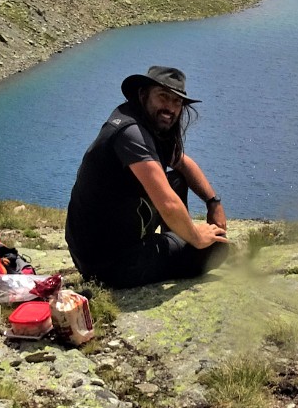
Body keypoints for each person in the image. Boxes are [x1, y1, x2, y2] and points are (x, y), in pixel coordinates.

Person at [66, 66, 230, 288]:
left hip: (105, 243)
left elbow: (182, 162)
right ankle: (177, 246)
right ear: (143, 94)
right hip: (109, 262)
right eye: (163, 97)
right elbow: (168, 204)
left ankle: (176, 242)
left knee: (177, 179)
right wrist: (197, 238)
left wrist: (213, 202)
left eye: (177, 102)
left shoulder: (140, 121)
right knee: (217, 248)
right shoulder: (131, 134)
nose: (170, 108)